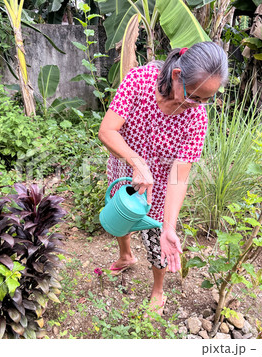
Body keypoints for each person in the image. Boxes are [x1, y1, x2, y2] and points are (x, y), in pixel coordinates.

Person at [98, 41, 228, 315]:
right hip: (125, 166)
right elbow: (108, 130)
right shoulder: (140, 80)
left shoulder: (196, 118)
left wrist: (169, 226)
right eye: (194, 96)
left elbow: (179, 176)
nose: (198, 105)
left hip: (158, 190)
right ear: (177, 75)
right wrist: (135, 161)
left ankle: (158, 290)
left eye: (207, 99)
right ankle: (126, 255)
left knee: (158, 240)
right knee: (120, 211)